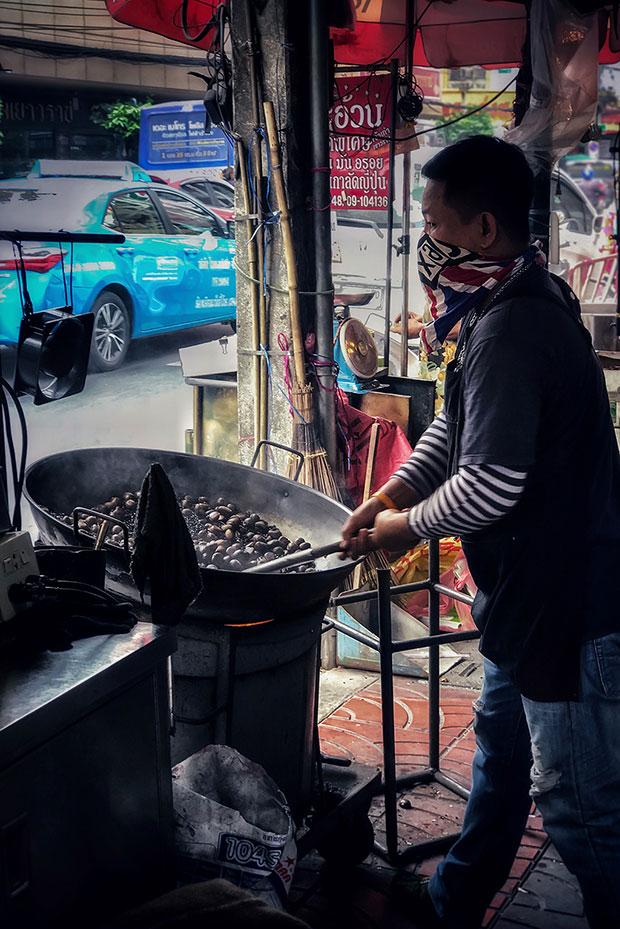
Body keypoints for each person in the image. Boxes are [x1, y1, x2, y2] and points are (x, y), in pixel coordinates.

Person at [340, 135, 620, 929]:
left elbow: (491, 485)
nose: (423, 241)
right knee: (501, 757)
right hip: (527, 599)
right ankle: (450, 903)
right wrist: (393, 489)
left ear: (484, 227)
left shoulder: (509, 326)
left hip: (568, 607)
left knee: (580, 811)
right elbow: (463, 437)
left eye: (433, 222)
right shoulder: (509, 297)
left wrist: (403, 527)